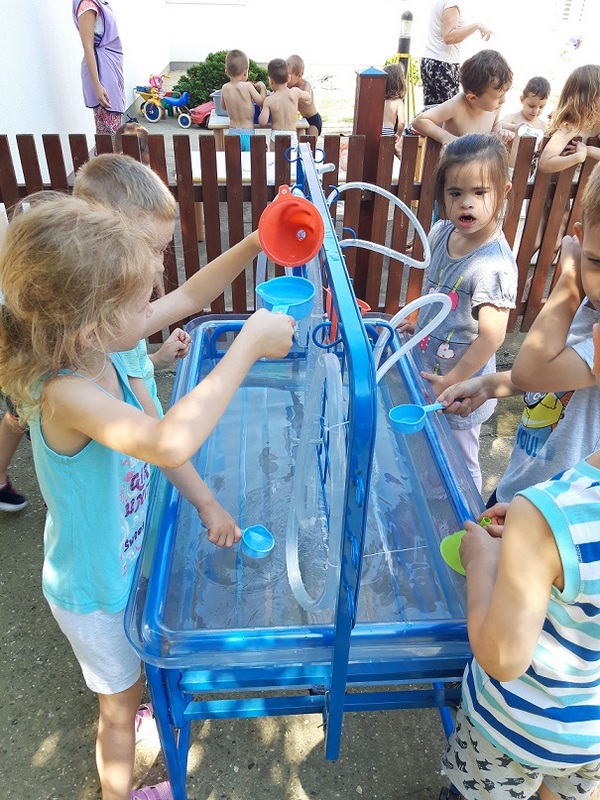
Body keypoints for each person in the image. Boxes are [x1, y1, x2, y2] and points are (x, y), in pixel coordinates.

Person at [0, 193, 294, 800]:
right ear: (94, 322)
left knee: (135, 678)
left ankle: (140, 701)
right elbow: (165, 441)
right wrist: (247, 346)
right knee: (116, 706)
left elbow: (189, 297)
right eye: (139, 304)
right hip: (94, 592)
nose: (153, 309)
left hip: (123, 560)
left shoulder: (96, 346)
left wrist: (257, 241)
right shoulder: (64, 392)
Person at [440, 330, 600, 799]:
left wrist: (484, 563)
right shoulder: (553, 515)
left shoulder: (547, 512)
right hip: (590, 739)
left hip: (512, 729)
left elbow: (502, 657)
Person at [437, 161, 600, 516]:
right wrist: (489, 385)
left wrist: (569, 280)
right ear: (581, 236)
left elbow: (532, 370)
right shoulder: (590, 307)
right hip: (522, 488)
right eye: (597, 262)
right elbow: (558, 375)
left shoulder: (578, 292)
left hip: (557, 517)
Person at [401, 134, 517, 492]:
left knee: (462, 460)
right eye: (456, 193)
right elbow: (435, 289)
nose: (467, 203)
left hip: (462, 387)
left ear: (503, 192)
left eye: (480, 192)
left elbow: (492, 336)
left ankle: (469, 514)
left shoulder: (493, 265)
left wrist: (454, 380)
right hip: (432, 367)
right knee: (431, 446)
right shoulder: (441, 232)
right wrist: (418, 322)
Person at [411, 49, 514, 147]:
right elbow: (419, 121)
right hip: (454, 158)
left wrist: (500, 134)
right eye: (499, 96)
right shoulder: (457, 105)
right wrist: (446, 138)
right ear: (472, 98)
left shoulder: (494, 108)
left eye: (504, 94)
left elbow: (495, 127)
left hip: (479, 158)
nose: (503, 100)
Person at [420, 1, 493, 107]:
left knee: (431, 110)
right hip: (444, 63)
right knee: (449, 111)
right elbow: (449, 37)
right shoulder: (451, 3)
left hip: (429, 60)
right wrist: (475, 26)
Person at [72, 0, 125, 136]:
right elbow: (88, 48)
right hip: (102, 71)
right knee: (108, 131)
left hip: (110, 68)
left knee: (112, 128)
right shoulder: (87, 5)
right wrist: (97, 85)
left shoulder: (99, 3)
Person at [538, 64, 600, 174]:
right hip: (556, 184)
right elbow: (545, 163)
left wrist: (588, 150)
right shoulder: (569, 127)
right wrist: (577, 157)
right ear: (587, 99)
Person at [259, 58, 310, 151]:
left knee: (275, 158)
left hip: (276, 135)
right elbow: (307, 97)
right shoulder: (295, 92)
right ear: (289, 78)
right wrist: (307, 85)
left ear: (271, 81)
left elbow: (262, 122)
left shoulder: (269, 100)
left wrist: (263, 108)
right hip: (291, 135)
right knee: (290, 158)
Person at [220, 49, 267, 152]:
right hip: (247, 134)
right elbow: (261, 102)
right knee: (249, 161)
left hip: (232, 134)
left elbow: (223, 107)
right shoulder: (248, 87)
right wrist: (263, 87)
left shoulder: (225, 88)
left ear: (226, 72)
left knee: (234, 160)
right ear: (245, 72)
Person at [502, 75, 550, 169]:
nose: (535, 111)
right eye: (531, 106)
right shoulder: (512, 119)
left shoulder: (542, 126)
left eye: (541, 107)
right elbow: (499, 125)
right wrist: (513, 128)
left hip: (528, 172)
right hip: (508, 169)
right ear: (522, 100)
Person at [286, 54, 323, 139]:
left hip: (313, 119)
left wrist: (298, 93)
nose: (286, 79)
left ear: (299, 75)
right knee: (300, 143)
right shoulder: (289, 87)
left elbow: (308, 101)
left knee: (310, 143)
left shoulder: (306, 85)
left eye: (289, 76)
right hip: (302, 120)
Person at [382, 63, 406, 159]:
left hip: (378, 130)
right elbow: (402, 122)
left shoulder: (380, 99)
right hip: (388, 131)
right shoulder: (398, 102)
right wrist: (398, 134)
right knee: (388, 156)